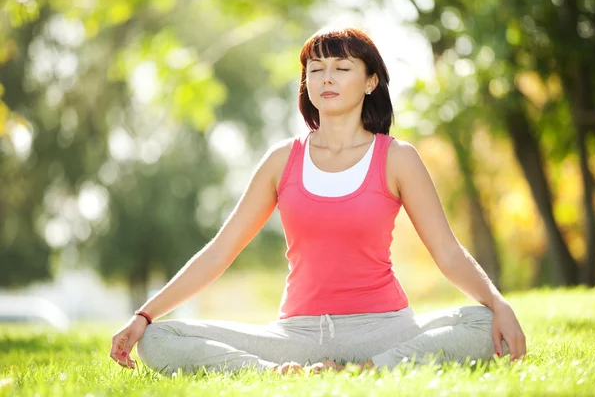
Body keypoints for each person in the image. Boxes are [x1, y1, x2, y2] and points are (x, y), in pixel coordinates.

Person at [109, 27, 526, 376]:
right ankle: (275, 375)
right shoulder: (281, 160)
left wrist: (498, 302)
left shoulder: (397, 158)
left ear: (370, 82)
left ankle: (371, 368)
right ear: (306, 83)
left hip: (385, 328)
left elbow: (448, 252)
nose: (327, 78)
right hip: (296, 336)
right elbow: (220, 252)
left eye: (342, 68)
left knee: (483, 322)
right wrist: (144, 315)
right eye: (316, 69)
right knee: (161, 339)